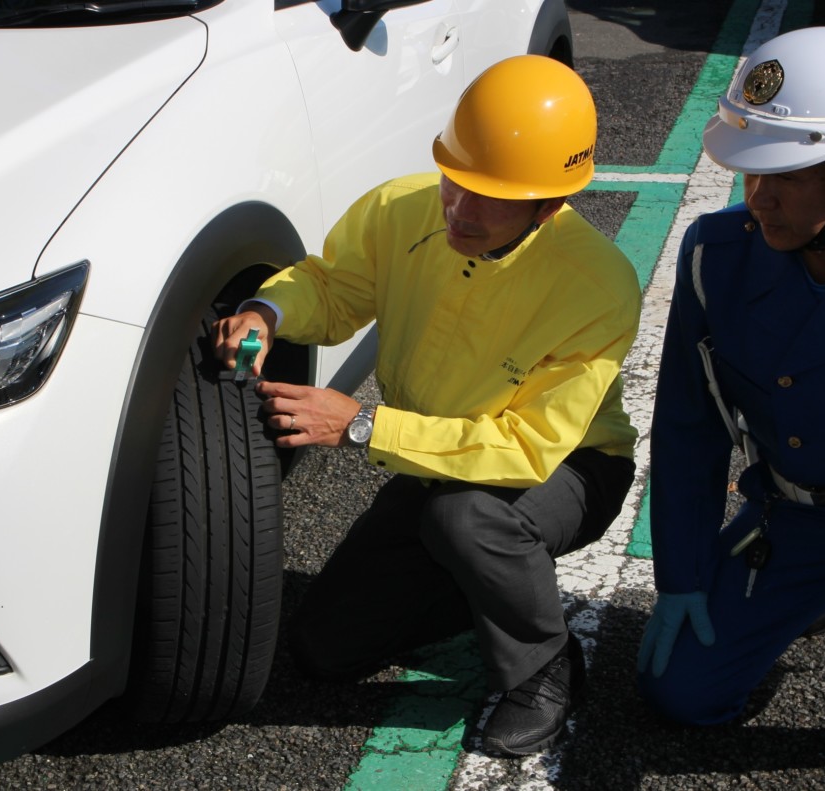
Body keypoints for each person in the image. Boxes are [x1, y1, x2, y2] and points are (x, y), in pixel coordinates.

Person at [212, 54, 640, 757]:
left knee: (469, 519)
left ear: (550, 200)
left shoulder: (596, 285)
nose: (460, 211)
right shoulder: (402, 209)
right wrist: (268, 307)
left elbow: (528, 447)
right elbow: (334, 287)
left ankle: (543, 669)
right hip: (437, 456)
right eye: (455, 181)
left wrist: (357, 423)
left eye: (490, 197)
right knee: (325, 649)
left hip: (567, 468)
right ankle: (483, 584)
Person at [637, 24, 825, 781]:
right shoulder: (715, 256)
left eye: (786, 174)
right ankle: (806, 595)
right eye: (751, 171)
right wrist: (681, 574)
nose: (758, 196)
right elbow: (689, 428)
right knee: (681, 692)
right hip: (805, 514)